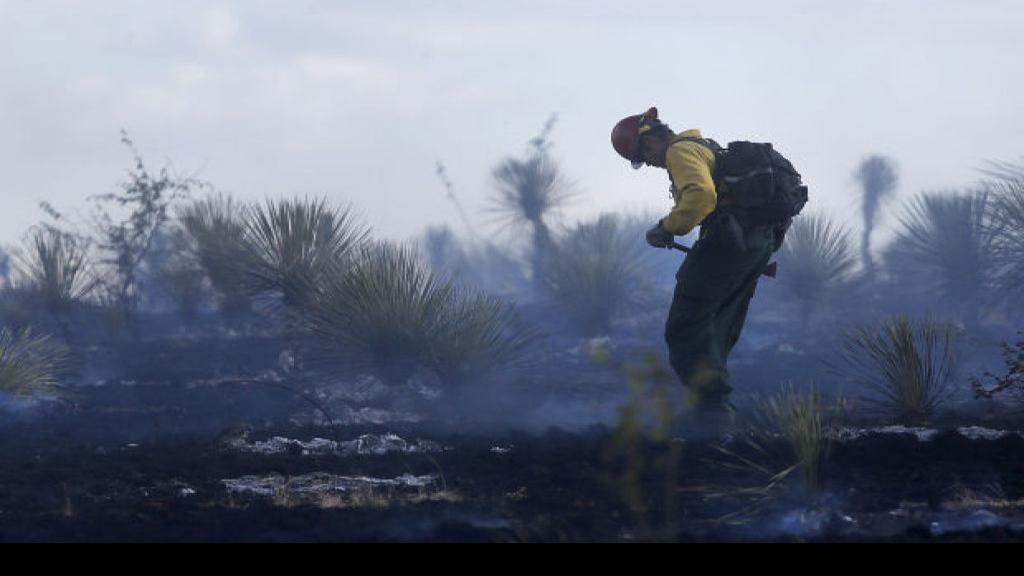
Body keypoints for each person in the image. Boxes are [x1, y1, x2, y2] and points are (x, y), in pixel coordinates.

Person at [611, 107, 782, 426]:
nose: (649, 163)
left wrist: (667, 227)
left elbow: (702, 195)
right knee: (717, 323)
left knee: (686, 322)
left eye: (644, 156)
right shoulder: (702, 146)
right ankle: (714, 406)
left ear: (649, 143)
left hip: (730, 244)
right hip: (753, 243)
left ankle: (711, 410)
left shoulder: (679, 151)